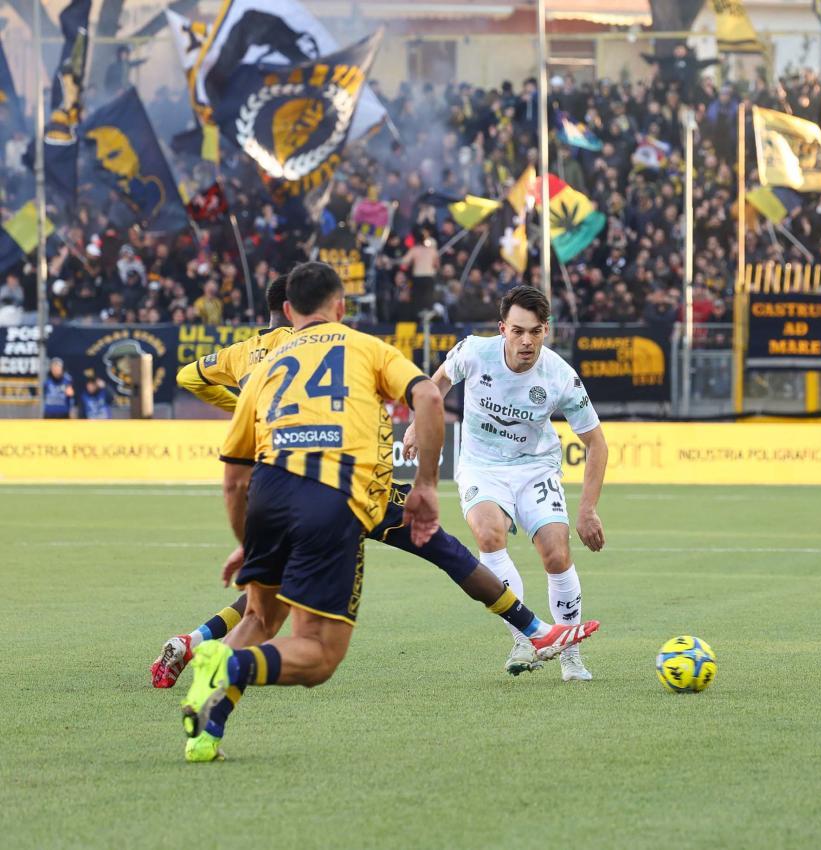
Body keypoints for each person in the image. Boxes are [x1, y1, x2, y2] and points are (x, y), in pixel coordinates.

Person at [177, 264, 594, 763]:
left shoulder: (262, 367)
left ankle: (207, 729)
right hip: (342, 492)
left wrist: (248, 539)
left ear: (288, 313)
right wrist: (425, 486)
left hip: (270, 494)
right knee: (319, 654)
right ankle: (222, 664)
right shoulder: (363, 346)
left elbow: (235, 476)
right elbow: (426, 394)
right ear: (341, 308)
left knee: (263, 616)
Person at [409, 285, 609, 680]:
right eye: (517, 331)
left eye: (534, 331)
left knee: (555, 552)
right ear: (502, 328)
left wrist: (588, 509)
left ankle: (570, 656)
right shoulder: (474, 352)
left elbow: (596, 444)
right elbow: (438, 384)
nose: (526, 341)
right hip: (481, 465)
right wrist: (418, 422)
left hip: (535, 466)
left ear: (546, 331)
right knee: (488, 534)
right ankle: (524, 635)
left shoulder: (560, 376)